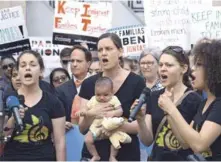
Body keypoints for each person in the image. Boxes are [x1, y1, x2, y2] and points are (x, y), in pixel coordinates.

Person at [78, 33, 145, 161]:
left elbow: (140, 125)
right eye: (100, 50)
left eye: (108, 49)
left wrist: (112, 125)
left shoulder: (137, 82)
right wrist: (91, 113)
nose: (103, 53)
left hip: (125, 153)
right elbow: (82, 128)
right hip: (94, 154)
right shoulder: (88, 83)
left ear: (120, 51)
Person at [134, 46, 202, 160]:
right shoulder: (154, 96)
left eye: (169, 65)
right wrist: (140, 120)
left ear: (184, 69)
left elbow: (186, 144)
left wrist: (169, 110)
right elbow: (147, 141)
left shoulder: (194, 99)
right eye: (160, 65)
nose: (163, 69)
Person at [158, 39, 221, 161]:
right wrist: (169, 111)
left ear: (213, 69)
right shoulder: (204, 103)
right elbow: (185, 142)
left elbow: (200, 145)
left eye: (199, 65)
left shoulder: (219, 104)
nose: (192, 70)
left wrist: (171, 109)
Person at [2, 50, 66, 161]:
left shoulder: (53, 102)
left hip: (43, 157)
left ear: (41, 71)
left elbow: (60, 141)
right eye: (23, 65)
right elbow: (2, 137)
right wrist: (12, 120)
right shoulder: (8, 99)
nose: (27, 68)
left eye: (32, 65)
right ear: (18, 71)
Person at [77, 77, 127, 161]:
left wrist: (113, 113)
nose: (102, 98)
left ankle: (112, 156)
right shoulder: (93, 100)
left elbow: (120, 111)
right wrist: (83, 112)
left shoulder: (114, 99)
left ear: (112, 92)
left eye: (105, 95)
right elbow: (86, 109)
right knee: (87, 140)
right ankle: (95, 155)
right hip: (95, 126)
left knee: (115, 140)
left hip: (110, 126)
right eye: (98, 95)